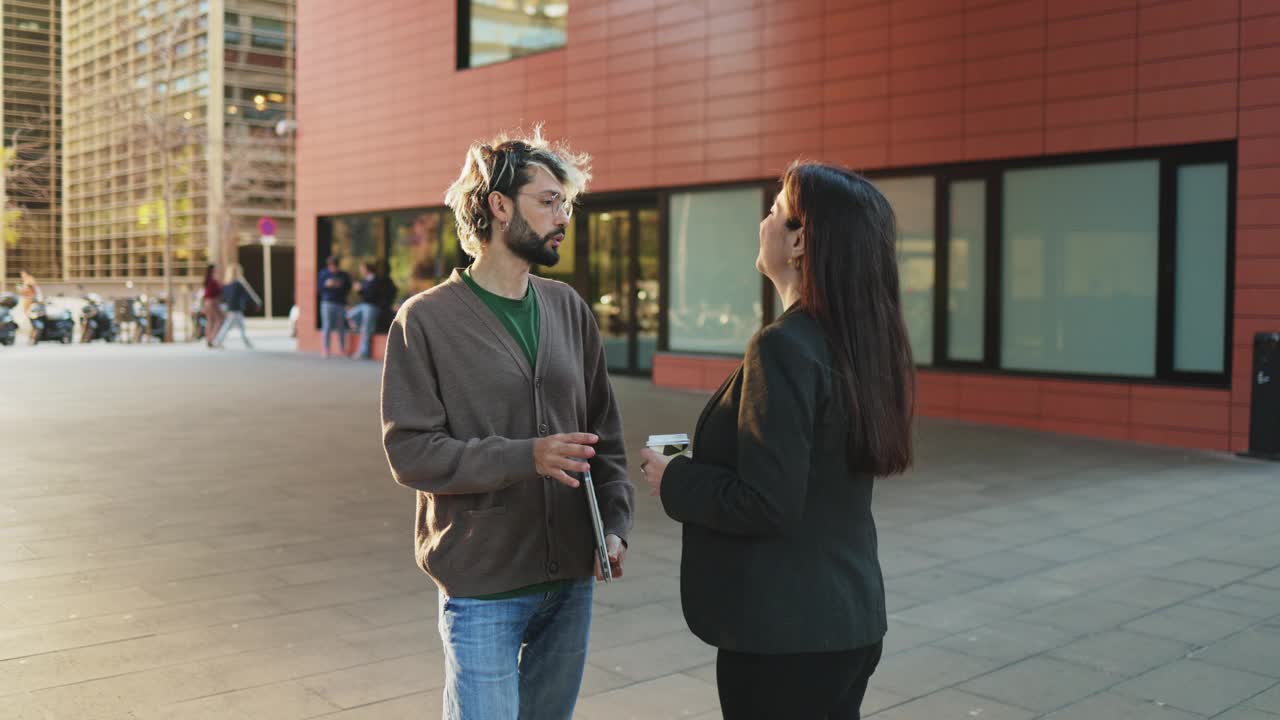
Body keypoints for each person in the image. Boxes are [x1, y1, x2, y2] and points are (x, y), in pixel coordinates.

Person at [639, 161, 916, 720]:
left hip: (784, 636)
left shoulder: (783, 347)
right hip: (848, 619)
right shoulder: (862, 343)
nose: (763, 222)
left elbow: (767, 503)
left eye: (773, 211)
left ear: (800, 241)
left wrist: (675, 477)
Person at [380, 129, 633, 720]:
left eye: (565, 203)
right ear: (498, 205)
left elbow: (607, 437)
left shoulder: (568, 307)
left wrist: (614, 524)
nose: (562, 217)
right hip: (483, 583)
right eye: (547, 201)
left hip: (571, 578)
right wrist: (526, 456)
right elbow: (411, 452)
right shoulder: (425, 321)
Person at [347, 260, 389, 359]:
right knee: (350, 315)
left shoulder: (376, 281)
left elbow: (372, 296)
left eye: (362, 268)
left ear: (367, 269)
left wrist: (361, 290)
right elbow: (365, 296)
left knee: (366, 330)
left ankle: (364, 352)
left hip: (372, 307)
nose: (361, 270)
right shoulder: (365, 280)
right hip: (364, 306)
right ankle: (358, 326)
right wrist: (360, 290)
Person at [212, 264, 262, 349]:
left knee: (239, 326)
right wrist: (256, 303)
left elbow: (224, 297)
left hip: (231, 308)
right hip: (236, 309)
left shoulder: (227, 284)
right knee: (228, 326)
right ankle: (217, 341)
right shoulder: (238, 284)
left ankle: (246, 342)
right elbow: (247, 295)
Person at [317, 255, 351, 358]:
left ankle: (342, 349)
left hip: (340, 303)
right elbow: (319, 288)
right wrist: (326, 285)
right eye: (331, 266)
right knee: (327, 326)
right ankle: (326, 349)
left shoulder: (343, 275)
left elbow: (347, 288)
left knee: (341, 327)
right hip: (327, 302)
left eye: (335, 266)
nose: (333, 269)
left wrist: (338, 286)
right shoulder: (323, 274)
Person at [201, 264, 225, 347]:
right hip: (212, 302)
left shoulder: (208, 280)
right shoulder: (213, 281)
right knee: (220, 319)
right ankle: (212, 338)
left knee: (210, 321)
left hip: (207, 302)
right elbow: (218, 292)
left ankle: (209, 339)